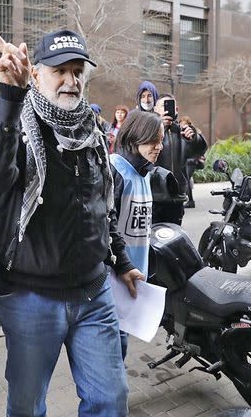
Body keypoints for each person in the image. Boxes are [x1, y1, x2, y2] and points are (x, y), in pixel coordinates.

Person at [0, 28, 144, 416]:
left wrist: (123, 261)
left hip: (93, 292)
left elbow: (101, 208)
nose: (71, 80)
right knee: (28, 406)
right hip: (30, 298)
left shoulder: (93, 132)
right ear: (36, 75)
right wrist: (10, 98)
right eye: (59, 70)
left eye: (77, 70)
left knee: (110, 400)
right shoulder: (12, 122)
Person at [110, 110, 164, 360]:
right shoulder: (115, 171)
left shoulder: (144, 173)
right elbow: (105, 224)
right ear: (134, 139)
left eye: (161, 140)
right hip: (113, 279)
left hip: (132, 278)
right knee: (115, 347)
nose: (159, 147)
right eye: (154, 140)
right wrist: (121, 262)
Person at [152, 94, 207, 223]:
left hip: (176, 197)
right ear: (155, 109)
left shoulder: (183, 132)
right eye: (163, 106)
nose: (167, 109)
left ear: (177, 110)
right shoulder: (150, 130)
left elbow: (201, 150)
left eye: (172, 106)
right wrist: (160, 127)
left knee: (174, 236)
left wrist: (194, 138)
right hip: (154, 196)